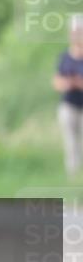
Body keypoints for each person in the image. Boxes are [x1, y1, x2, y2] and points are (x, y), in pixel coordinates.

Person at [54, 14, 83, 177]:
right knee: (71, 145)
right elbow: (57, 81)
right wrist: (67, 83)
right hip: (69, 105)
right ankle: (74, 178)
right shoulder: (64, 57)